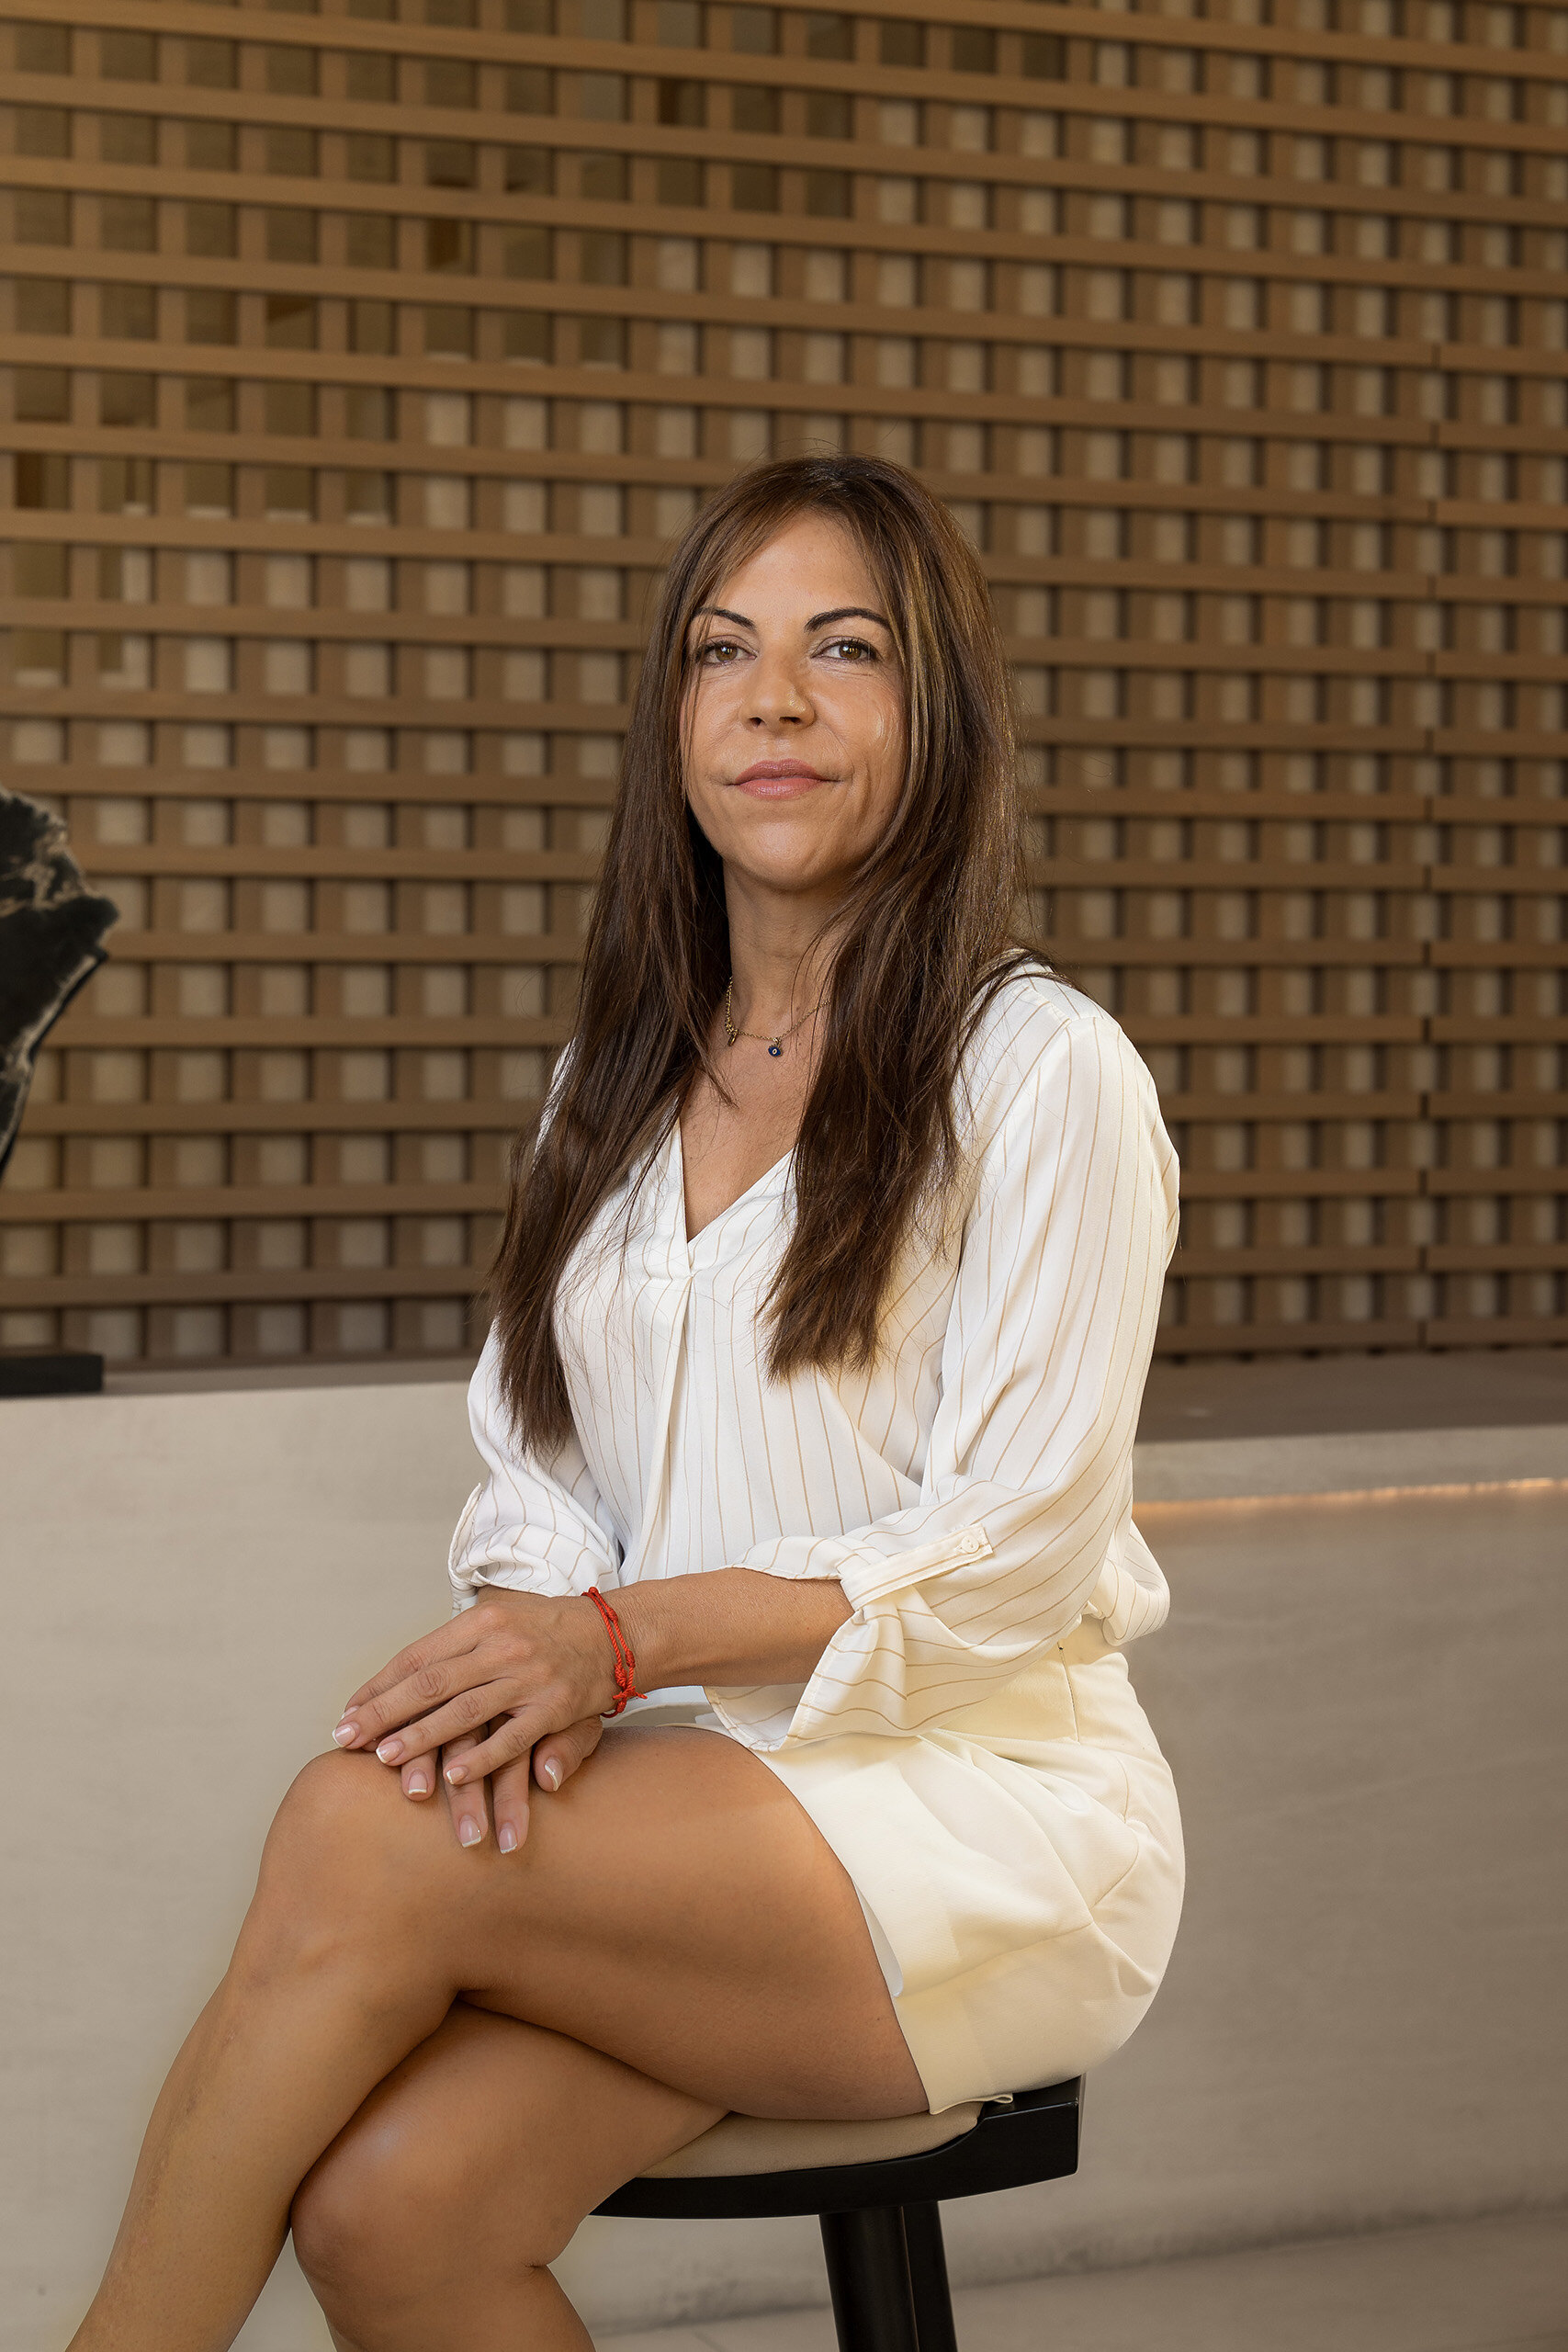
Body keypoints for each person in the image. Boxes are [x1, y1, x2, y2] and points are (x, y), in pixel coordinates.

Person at [68, 455, 1184, 2352]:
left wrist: (610, 1642)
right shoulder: (612, 1077)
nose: (772, 699)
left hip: (973, 1822)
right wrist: (539, 1669)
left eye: (844, 650)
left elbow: (1011, 1547)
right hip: (668, 1797)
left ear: (939, 711)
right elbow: (537, 1482)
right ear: (673, 717)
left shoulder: (1039, 1068)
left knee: (359, 1829)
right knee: (391, 2213)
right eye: (720, 650)